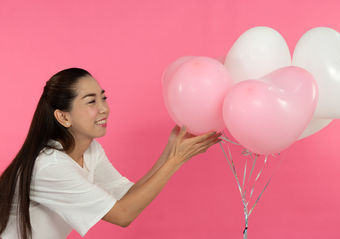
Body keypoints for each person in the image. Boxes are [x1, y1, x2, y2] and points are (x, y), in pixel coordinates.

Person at [0, 68, 222, 239]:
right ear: (63, 117)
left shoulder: (90, 150)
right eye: (91, 101)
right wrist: (176, 160)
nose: (104, 108)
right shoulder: (50, 167)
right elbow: (123, 215)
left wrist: (170, 149)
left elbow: (127, 196)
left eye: (103, 98)